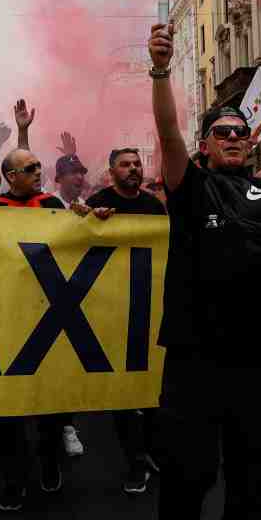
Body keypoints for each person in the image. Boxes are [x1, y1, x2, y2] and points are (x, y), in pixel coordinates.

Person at [147, 22, 261, 520]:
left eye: (240, 132)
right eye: (221, 132)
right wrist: (162, 70)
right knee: (188, 477)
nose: (233, 138)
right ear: (206, 145)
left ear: (250, 144)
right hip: (193, 358)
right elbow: (168, 132)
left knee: (249, 477)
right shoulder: (190, 187)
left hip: (252, 358)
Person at [79, 147, 166, 493]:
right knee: (124, 396)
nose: (133, 169)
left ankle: (151, 451)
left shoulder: (153, 206)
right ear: (111, 170)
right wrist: (88, 219)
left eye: (136, 163)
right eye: (125, 164)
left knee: (152, 389)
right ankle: (134, 462)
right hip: (111, 310)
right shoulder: (98, 201)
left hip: (149, 309)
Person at [0, 147, 72, 510]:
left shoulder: (51, 202)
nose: (40, 171)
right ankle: (11, 478)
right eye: (31, 168)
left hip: (49, 314)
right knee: (7, 404)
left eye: (39, 165)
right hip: (6, 317)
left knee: (49, 399)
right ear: (11, 177)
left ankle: (50, 460)